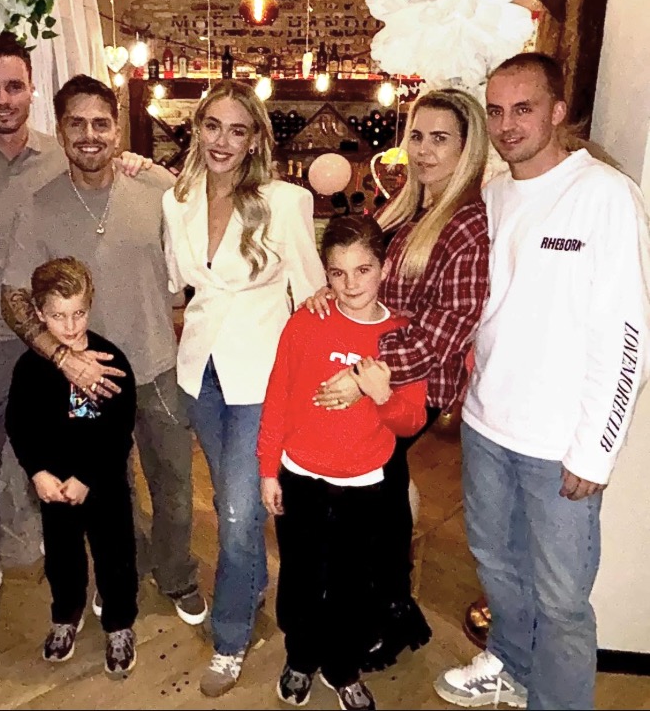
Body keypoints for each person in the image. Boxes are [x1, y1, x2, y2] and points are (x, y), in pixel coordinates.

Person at [434, 53, 650, 710]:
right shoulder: (493, 195)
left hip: (559, 446)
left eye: (523, 109)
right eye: (496, 111)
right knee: (498, 568)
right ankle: (514, 667)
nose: (507, 125)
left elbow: (628, 336)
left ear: (557, 110)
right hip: (486, 426)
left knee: (561, 601)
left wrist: (596, 450)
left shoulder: (604, 195)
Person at [1, 74, 207, 626]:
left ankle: (177, 573)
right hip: (81, 378)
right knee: (110, 490)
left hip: (156, 367)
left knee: (174, 486)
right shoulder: (39, 206)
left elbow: (204, 242)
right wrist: (62, 358)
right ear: (60, 129)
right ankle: (124, 571)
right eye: (77, 123)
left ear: (118, 130)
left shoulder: (158, 187)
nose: (89, 135)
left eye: (101, 123)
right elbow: (13, 297)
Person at [0, 35, 148, 629]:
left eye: (14, 86)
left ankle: (111, 572)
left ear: (31, 91)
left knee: (98, 449)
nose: (3, 98)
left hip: (63, 333)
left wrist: (141, 164)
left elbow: (109, 176)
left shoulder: (59, 149)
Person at [308, 88, 491, 669]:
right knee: (377, 499)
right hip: (379, 374)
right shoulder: (404, 208)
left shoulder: (466, 225)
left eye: (440, 139)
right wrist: (327, 292)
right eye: (416, 136)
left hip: (410, 385)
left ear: (467, 147)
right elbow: (362, 279)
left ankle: (386, 617)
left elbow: (445, 332)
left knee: (377, 504)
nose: (424, 150)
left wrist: (363, 377)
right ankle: (379, 609)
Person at [162, 80, 326, 697]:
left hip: (263, 375)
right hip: (199, 370)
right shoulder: (176, 199)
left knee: (235, 512)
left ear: (256, 138)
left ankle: (230, 639)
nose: (223, 142)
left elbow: (312, 294)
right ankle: (251, 585)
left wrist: (320, 379)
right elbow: (180, 284)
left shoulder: (285, 201)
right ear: (197, 129)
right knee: (238, 505)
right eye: (213, 126)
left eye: (238, 130)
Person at [258, 214, 428, 710]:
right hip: (302, 476)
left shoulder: (401, 336)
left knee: (353, 584)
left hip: (365, 484)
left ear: (383, 267)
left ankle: (343, 666)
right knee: (301, 577)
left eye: (363, 270)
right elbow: (278, 397)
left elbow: (412, 420)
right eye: (338, 272)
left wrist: (382, 396)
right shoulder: (306, 322)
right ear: (325, 273)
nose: (351, 285)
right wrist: (268, 469)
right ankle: (300, 657)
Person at [5, 257, 138, 676]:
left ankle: (119, 623)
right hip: (54, 487)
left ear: (90, 308)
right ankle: (65, 615)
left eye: (79, 313)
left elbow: (118, 432)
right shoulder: (30, 368)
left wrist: (88, 478)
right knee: (62, 558)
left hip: (103, 484)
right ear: (40, 314)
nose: (70, 325)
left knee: (116, 555)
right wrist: (37, 471)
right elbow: (19, 424)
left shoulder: (111, 360)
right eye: (59, 316)